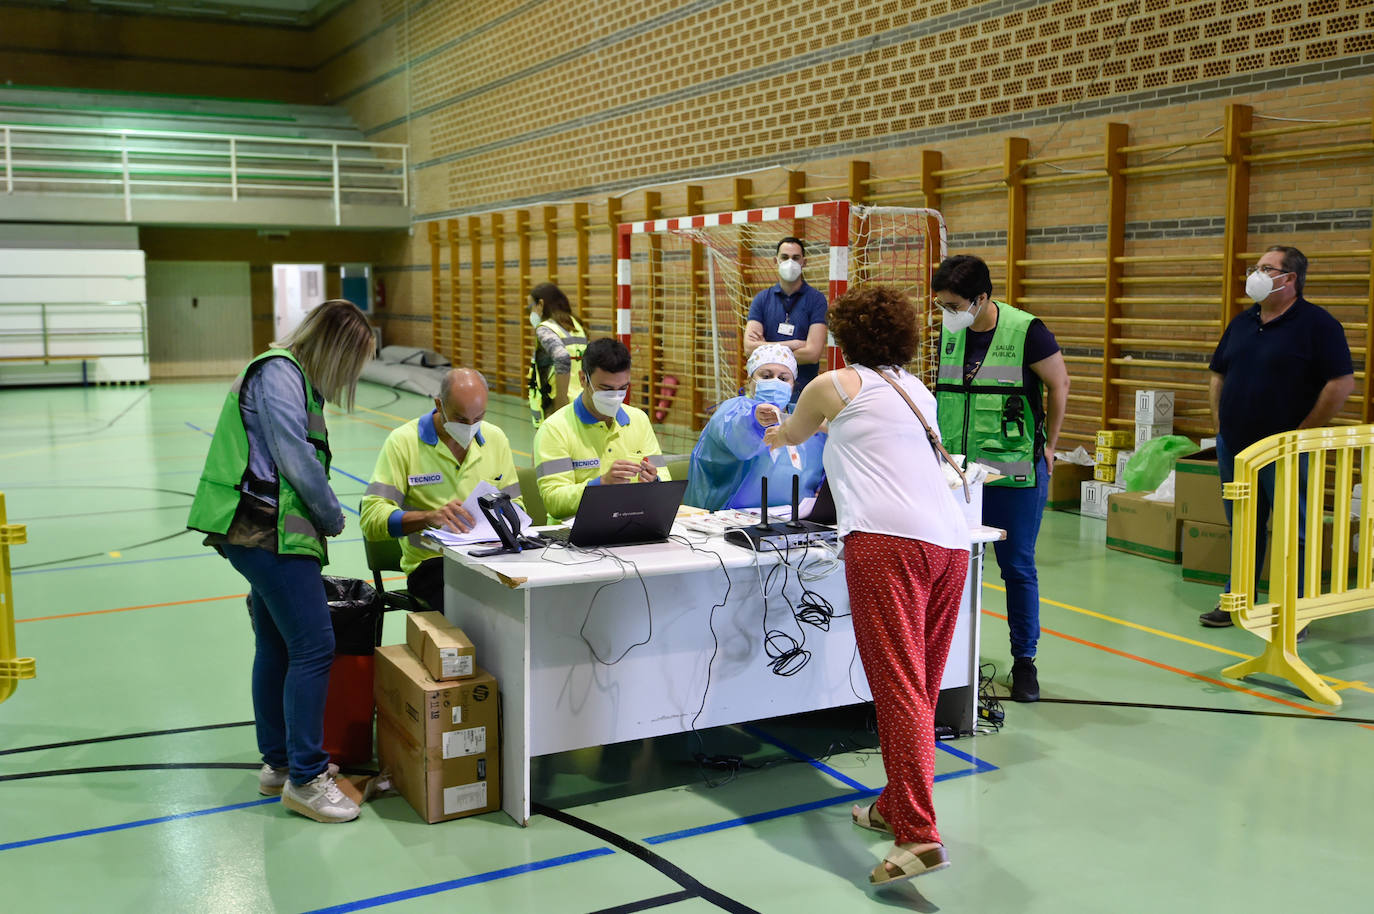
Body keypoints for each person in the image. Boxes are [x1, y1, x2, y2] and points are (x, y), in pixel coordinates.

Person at [763, 285, 970, 886]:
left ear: (846, 336)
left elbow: (795, 435)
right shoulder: (917, 391)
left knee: (897, 689)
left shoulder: (830, 386)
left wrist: (775, 433)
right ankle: (893, 806)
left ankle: (918, 836)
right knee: (921, 690)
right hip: (950, 545)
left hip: (887, 544)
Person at [186, 300, 375, 824]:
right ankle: (307, 779)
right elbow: (295, 457)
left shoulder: (293, 377)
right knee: (314, 646)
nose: (353, 375)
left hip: (263, 534)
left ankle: (279, 763)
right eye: (354, 361)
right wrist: (332, 514)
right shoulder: (280, 372)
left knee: (275, 644)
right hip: (262, 533)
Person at [930, 254, 1069, 703]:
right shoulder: (949, 335)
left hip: (1014, 478)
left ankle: (1024, 662)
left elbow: (1059, 384)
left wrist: (1049, 445)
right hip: (957, 478)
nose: (946, 314)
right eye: (942, 305)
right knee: (948, 569)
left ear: (982, 299)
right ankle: (947, 658)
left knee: (1017, 569)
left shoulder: (1028, 331)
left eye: (954, 305)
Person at [1199, 245, 1353, 631]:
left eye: (1267, 268)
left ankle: (1294, 612)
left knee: (1294, 530)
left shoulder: (1319, 326)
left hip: (1285, 449)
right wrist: (1220, 423)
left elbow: (1341, 382)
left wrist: (1303, 433)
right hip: (1234, 446)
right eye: (1257, 267)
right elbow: (1218, 373)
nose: (1257, 274)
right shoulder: (1242, 322)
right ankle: (1239, 599)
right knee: (1243, 525)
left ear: (1290, 279)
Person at [361, 368, 521, 613]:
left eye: (478, 418)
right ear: (439, 404)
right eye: (460, 419)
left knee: (529, 604)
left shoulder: (495, 439)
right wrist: (428, 517)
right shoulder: (403, 442)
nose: (470, 427)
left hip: (490, 559)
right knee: (481, 614)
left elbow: (517, 508)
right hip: (433, 566)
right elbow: (372, 519)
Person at [533, 337, 669, 521]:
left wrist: (654, 482)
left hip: (631, 524)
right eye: (606, 388)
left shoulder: (639, 420)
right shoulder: (554, 429)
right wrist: (601, 484)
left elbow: (664, 482)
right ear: (583, 379)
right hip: (572, 537)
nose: (615, 397)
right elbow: (554, 502)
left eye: (622, 388)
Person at [683, 342, 826, 511]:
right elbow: (737, 433)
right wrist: (755, 420)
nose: (775, 382)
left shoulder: (805, 417)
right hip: (727, 520)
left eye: (783, 378)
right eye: (766, 376)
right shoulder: (734, 409)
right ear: (750, 381)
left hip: (794, 519)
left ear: (793, 384)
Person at [744, 237, 829, 400]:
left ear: (804, 262)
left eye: (795, 258)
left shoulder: (816, 300)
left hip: (803, 392)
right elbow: (749, 349)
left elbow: (812, 354)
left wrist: (764, 348)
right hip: (764, 390)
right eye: (784, 257)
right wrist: (794, 344)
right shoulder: (762, 299)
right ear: (776, 260)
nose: (790, 262)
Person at [527, 282, 589, 427]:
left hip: (556, 404)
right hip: (581, 400)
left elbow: (562, 357)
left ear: (541, 304)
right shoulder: (577, 325)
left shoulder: (546, 329)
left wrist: (560, 403)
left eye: (530, 307)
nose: (531, 313)